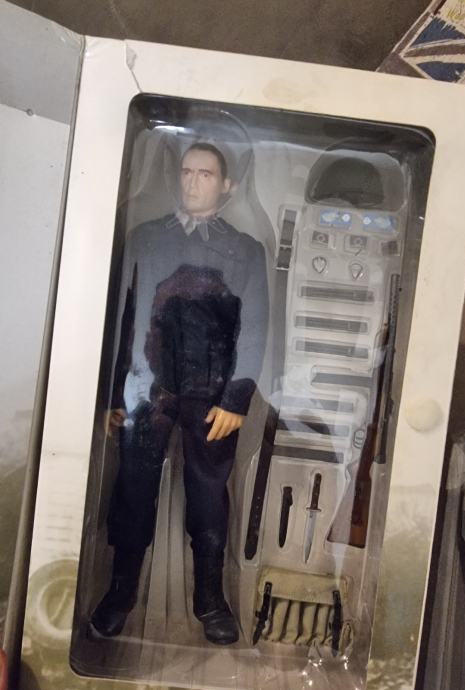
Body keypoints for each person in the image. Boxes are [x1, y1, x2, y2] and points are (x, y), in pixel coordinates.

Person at [90, 142, 269, 645]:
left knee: (209, 496)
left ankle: (210, 599)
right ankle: (120, 592)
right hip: (149, 389)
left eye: (205, 174)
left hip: (212, 395)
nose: (193, 182)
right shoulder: (146, 239)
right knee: (132, 490)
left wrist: (235, 400)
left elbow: (255, 328)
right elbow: (122, 318)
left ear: (227, 185)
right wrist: (113, 394)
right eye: (187, 172)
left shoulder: (245, 250)